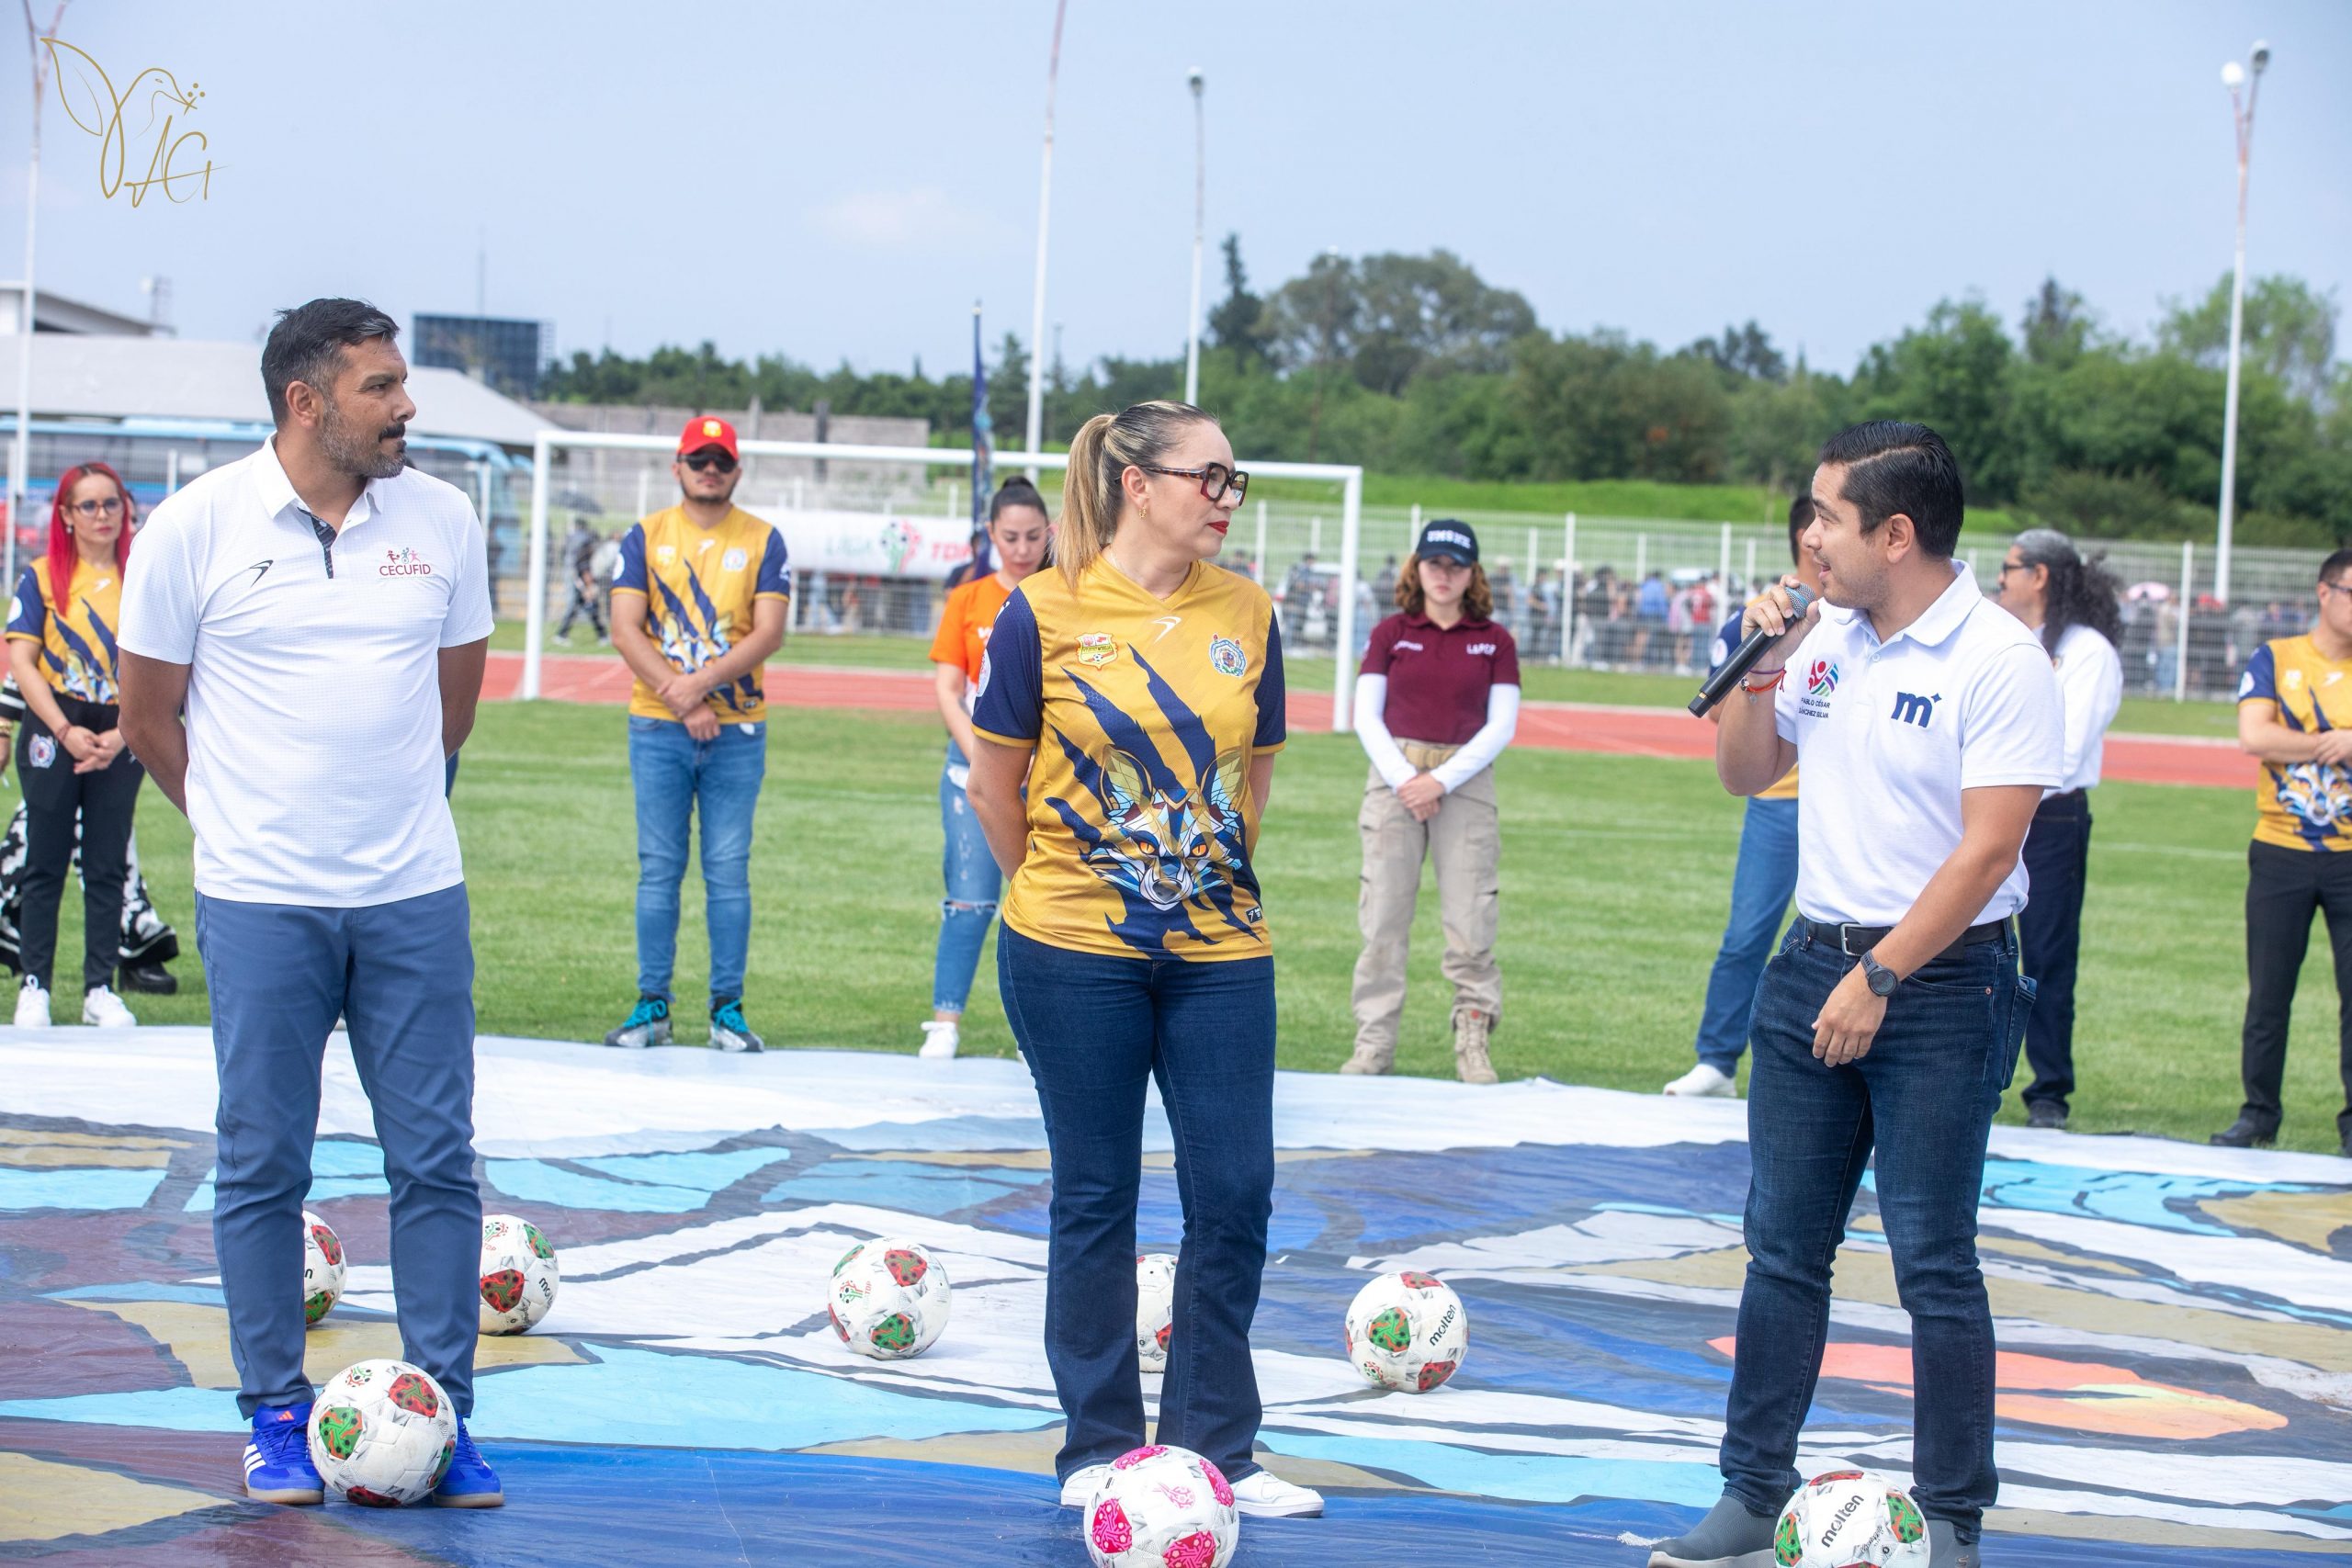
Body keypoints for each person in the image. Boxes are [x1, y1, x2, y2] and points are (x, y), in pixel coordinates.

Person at [1648, 422, 2059, 1568]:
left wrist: (1880, 977)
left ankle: (1953, 1519)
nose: (1809, 538)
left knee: (1932, 1260)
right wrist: (1759, 666)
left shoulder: (1998, 657)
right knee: (1780, 1248)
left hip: (1942, 982)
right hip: (1810, 966)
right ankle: (1751, 1491)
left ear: (1895, 534)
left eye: (1828, 517)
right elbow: (1745, 772)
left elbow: (1988, 851)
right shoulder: (1821, 633)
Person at [116, 298, 502, 1507]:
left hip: (413, 896)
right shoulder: (193, 527)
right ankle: (275, 1416)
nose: (406, 405)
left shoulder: (445, 519)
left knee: (436, 1161)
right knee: (261, 1162)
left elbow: (452, 708)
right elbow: (147, 715)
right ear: (306, 401)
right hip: (260, 902)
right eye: (381, 386)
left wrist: (380, 824)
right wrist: (239, 828)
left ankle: (441, 1414)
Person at [965, 400, 1322, 1521]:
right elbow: (992, 784)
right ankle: (1099, 1446)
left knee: (1236, 1192)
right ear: (1137, 483)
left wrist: (1194, 889)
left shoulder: (1249, 612)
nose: (1225, 498)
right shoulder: (1040, 611)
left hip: (1221, 949)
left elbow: (1254, 781)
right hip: (1071, 951)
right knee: (1096, 1194)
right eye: (1208, 477)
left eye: (1232, 480)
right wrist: (1061, 894)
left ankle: (1220, 1449)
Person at [603, 416, 790, 1053]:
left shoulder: (763, 539)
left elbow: (768, 632)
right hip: (658, 726)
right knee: (659, 869)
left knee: (728, 871)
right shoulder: (645, 534)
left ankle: (726, 1009)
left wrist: (697, 688)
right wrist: (683, 701)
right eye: (699, 459)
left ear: (737, 470)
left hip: (737, 731)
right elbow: (624, 628)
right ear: (677, 466)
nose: (710, 470)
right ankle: (652, 1004)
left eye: (721, 460)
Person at [1340, 519, 1521, 1084]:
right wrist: (1406, 779)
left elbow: (1501, 726)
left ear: (1472, 574)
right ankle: (1373, 1044)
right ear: (1416, 568)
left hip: (1465, 780)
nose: (1444, 575)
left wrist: (1439, 781)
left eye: (1455, 566)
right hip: (1394, 776)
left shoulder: (1495, 641)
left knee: (1471, 922)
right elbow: (1366, 715)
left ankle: (1473, 1038)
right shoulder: (1390, 633)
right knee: (1382, 920)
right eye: (1434, 563)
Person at [1665, 495, 1824, 1100]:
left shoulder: (1863, 616)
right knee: (1748, 932)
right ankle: (1716, 1059)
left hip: (1845, 803)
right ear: (1805, 537)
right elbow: (1717, 711)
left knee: (1847, 936)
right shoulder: (1759, 617)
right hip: (1778, 800)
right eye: (1823, 522)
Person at [2213, 548, 2352, 1157]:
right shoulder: (2276, 657)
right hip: (2280, 850)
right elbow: (2254, 735)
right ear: (2325, 592)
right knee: (2269, 994)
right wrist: (2331, 743)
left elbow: (2275, 738)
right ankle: (2258, 1113)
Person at [6, 462, 145, 1028]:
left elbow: (169, 663)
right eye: (88, 505)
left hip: (121, 728)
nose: (102, 515)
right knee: (44, 861)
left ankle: (99, 989)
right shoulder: (41, 577)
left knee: (107, 865)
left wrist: (121, 734)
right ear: (65, 514)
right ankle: (34, 984)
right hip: (54, 724)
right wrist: (64, 731)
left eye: (112, 503)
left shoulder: (144, 576)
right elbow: (21, 661)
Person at [1995, 528, 2124, 1131]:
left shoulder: (2087, 652)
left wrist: (1994, 784)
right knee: (1971, 945)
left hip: (2049, 818)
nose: (1999, 579)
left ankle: (2049, 1090)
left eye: (2008, 568)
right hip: (1985, 809)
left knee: (2046, 953)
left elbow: (2065, 753)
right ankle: (1970, 1074)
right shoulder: (1999, 638)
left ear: (2039, 575)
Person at [919, 478, 1050, 1059]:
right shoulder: (968, 600)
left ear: (1049, 533)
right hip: (973, 770)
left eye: (1032, 537)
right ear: (991, 535)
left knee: (1042, 906)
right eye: (1010, 537)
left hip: (1047, 776)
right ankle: (945, 1021)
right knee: (970, 899)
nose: (1021, 549)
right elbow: (948, 689)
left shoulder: (1062, 596)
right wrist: (986, 761)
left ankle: (1037, 1034)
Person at [552, 515, 607, 644]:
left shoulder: (581, 550)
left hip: (580, 581)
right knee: (580, 606)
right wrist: (586, 587)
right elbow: (582, 571)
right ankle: (562, 635)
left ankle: (602, 635)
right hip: (580, 582)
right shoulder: (583, 553)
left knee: (589, 607)